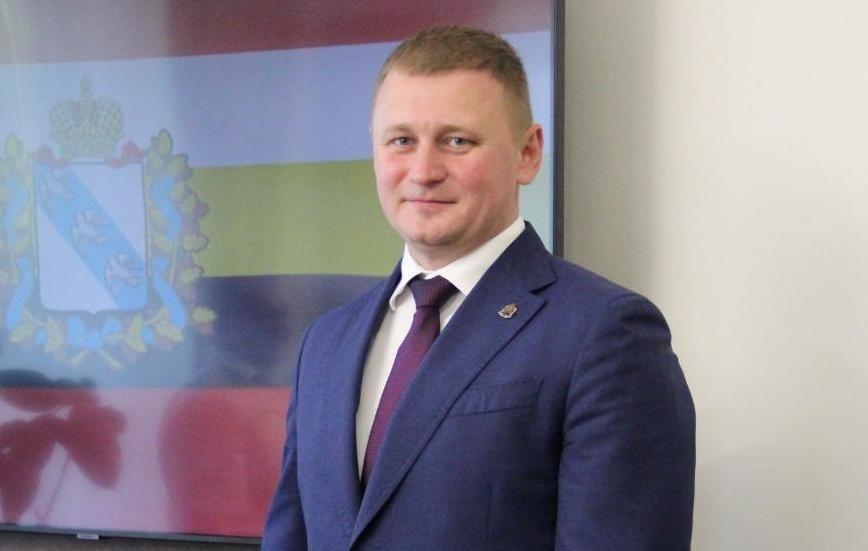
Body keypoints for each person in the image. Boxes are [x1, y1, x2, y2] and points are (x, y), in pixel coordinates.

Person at [262, 26, 694, 550]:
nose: (423, 171)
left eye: (457, 141)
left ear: (527, 153)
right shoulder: (325, 343)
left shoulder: (605, 334)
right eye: (402, 141)